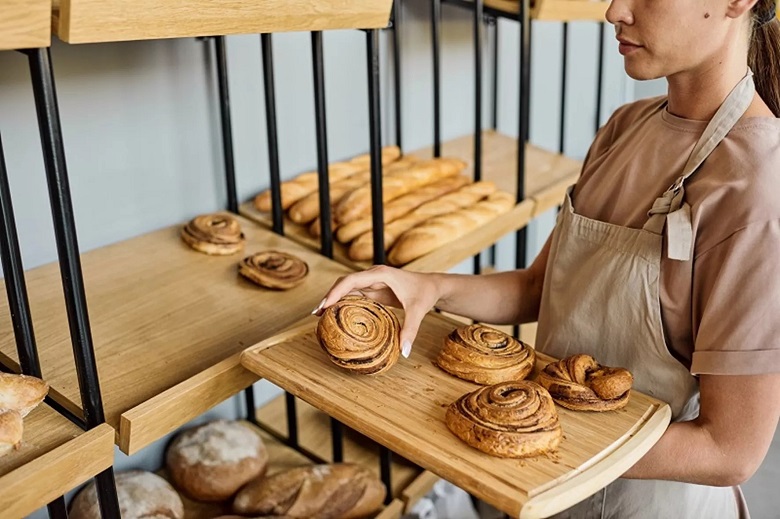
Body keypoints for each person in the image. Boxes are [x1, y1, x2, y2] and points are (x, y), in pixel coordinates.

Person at [315, 0, 780, 516]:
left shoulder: (758, 189)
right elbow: (542, 287)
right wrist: (429, 287)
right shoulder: (624, 127)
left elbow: (729, 450)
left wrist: (531, 436)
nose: (613, 12)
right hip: (541, 488)